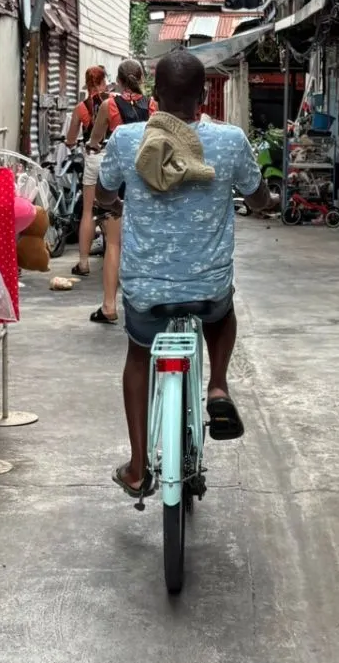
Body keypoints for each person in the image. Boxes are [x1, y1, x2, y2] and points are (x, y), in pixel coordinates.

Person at [96, 48, 270, 494]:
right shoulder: (230, 141)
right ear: (204, 94)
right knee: (221, 311)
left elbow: (103, 192)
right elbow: (258, 198)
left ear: (155, 95)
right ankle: (216, 386)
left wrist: (112, 203)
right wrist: (260, 199)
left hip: (145, 289)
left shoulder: (126, 139)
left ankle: (138, 468)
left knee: (139, 355)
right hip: (207, 284)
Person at [85, 57, 155, 328]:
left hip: (118, 181)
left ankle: (109, 305)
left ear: (120, 79)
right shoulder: (153, 105)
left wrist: (93, 145)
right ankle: (148, 300)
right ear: (140, 78)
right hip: (147, 180)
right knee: (148, 241)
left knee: (113, 243)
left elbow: (95, 139)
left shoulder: (109, 104)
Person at [64, 65, 109, 278]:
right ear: (103, 81)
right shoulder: (113, 102)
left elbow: (71, 139)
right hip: (112, 157)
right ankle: (114, 253)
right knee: (113, 210)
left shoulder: (81, 108)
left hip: (92, 158)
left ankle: (83, 263)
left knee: (88, 211)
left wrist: (72, 141)